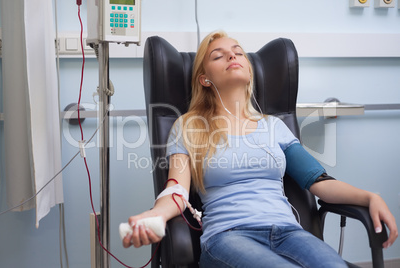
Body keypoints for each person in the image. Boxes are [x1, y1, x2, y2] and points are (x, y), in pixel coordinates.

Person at [123, 31, 398, 267]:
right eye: (219, 56)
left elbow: (318, 181)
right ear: (205, 79)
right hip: (228, 237)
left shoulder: (274, 127)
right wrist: (156, 215)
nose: (232, 57)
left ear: (249, 68)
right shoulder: (189, 126)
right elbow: (177, 190)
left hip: (289, 232)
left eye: (238, 52)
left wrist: (369, 197)